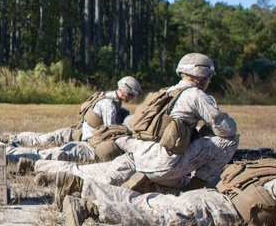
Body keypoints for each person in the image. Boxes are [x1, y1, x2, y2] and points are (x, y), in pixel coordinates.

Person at [34, 53, 239, 196]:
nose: (210, 81)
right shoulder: (197, 96)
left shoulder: (166, 92)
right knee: (229, 140)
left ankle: (44, 166)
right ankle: (195, 189)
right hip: (164, 164)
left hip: (141, 153)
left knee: (100, 171)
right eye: (209, 77)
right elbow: (227, 129)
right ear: (202, 76)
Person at [61, 148, 276, 226]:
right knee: (156, 216)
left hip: (212, 198)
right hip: (217, 212)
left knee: (152, 202)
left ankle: (84, 186)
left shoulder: (274, 168)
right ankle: (91, 208)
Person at [2, 77, 141, 165]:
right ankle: (10, 153)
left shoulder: (106, 96)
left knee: (44, 138)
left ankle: (13, 139)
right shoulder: (110, 105)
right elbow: (109, 130)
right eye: (131, 96)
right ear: (124, 93)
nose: (131, 99)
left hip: (77, 131)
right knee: (54, 153)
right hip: (87, 139)